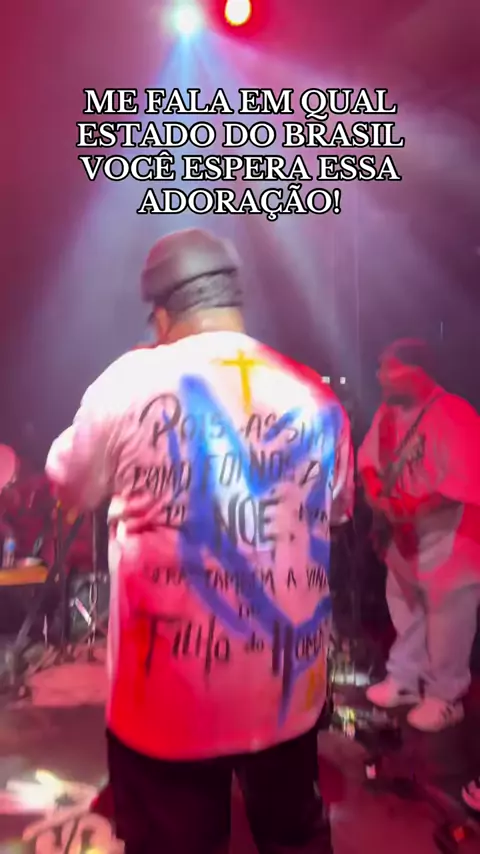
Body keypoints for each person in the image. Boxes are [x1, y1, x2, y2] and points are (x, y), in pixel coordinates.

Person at [46, 228, 354, 854]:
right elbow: (337, 510)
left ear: (161, 314)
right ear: (234, 300)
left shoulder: (130, 382)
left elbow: (68, 482)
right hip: (286, 691)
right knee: (296, 837)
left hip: (168, 706)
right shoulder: (315, 395)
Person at [359, 339, 480, 732]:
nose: (380, 376)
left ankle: (446, 697)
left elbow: (462, 485)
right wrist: (379, 497)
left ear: (416, 372)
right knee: (405, 605)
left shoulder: (454, 413)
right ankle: (405, 679)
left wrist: (408, 509)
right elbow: (368, 463)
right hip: (404, 534)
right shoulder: (388, 413)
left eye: (388, 368)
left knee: (448, 618)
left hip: (451, 538)